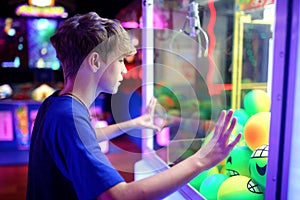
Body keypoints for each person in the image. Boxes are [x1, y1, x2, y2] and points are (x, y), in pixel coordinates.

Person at [26, 12, 241, 200]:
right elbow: (116, 196)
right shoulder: (68, 116)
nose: (125, 70)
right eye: (120, 60)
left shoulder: (56, 104)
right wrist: (203, 160)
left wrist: (134, 123)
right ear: (94, 62)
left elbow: (87, 135)